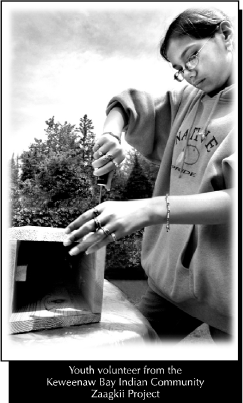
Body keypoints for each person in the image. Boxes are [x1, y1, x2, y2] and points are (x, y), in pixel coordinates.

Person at [63, 7, 236, 342]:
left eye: (192, 56)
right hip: (167, 287)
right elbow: (128, 104)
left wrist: (147, 210)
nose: (188, 73)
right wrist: (111, 136)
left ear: (226, 36)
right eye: (178, 68)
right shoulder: (189, 99)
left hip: (228, 299)